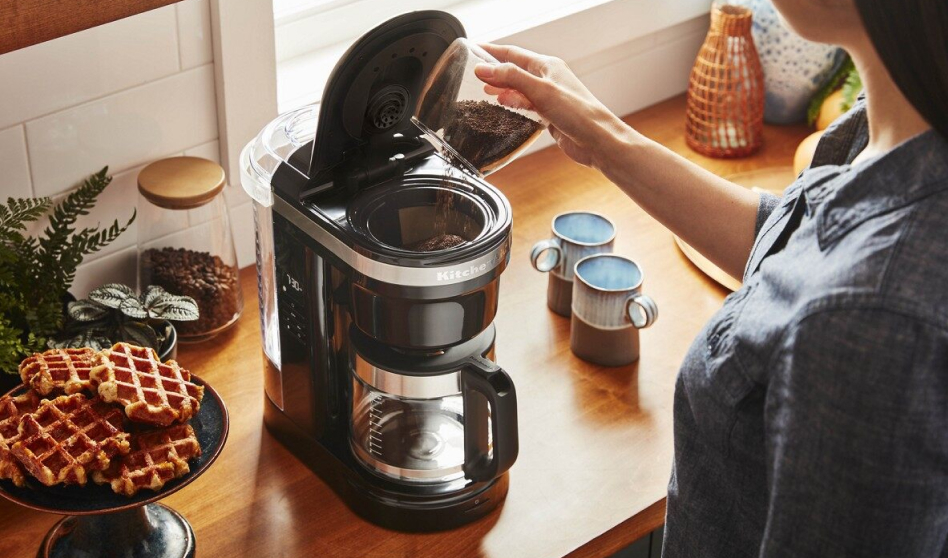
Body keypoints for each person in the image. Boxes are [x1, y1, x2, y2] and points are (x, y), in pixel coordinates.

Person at [475, 0, 948, 556]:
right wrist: (602, 136)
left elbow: (831, 285)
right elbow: (795, 249)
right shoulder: (900, 120)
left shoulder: (867, 325)